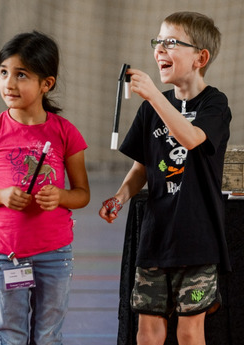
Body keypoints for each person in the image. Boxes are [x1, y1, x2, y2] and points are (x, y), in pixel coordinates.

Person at [99, 11, 231, 345]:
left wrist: (154, 96)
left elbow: (191, 138)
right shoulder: (150, 109)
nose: (159, 49)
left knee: (189, 331)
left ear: (200, 57)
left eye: (171, 42)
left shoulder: (215, 104)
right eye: (158, 41)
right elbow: (141, 167)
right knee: (148, 330)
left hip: (198, 240)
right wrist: (120, 197)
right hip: (156, 239)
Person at [0, 31, 90, 344]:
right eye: (4, 73)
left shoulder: (65, 133)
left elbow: (82, 194)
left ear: (47, 83)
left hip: (55, 254)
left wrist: (60, 196)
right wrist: (1, 196)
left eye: (21, 75)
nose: (9, 83)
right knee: (12, 335)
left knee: (47, 336)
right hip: (7, 254)